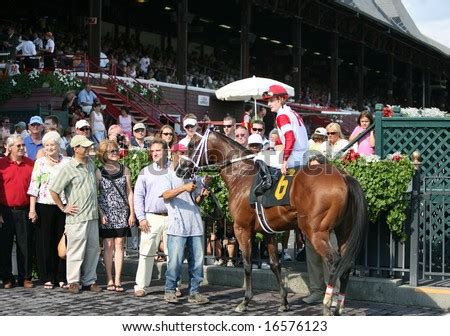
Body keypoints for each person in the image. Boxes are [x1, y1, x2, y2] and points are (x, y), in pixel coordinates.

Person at [49, 135, 102, 294]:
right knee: (75, 251)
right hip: (76, 217)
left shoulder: (91, 164)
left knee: (93, 250)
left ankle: (89, 281)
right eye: (84, 147)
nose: (87, 149)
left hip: (92, 215)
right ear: (75, 148)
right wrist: (63, 207)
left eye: (88, 147)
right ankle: (73, 281)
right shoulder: (68, 167)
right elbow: (54, 190)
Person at [162, 144, 210, 305]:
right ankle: (169, 291)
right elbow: (166, 195)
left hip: (194, 224)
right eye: (181, 153)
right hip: (177, 225)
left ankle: (194, 292)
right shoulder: (167, 175)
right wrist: (183, 187)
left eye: (186, 153)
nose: (184, 156)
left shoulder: (194, 176)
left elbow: (196, 201)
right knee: (174, 262)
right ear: (173, 154)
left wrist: (202, 194)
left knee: (197, 262)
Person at [27, 131, 69, 289]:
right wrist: (32, 209)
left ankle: (61, 276)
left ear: (59, 146)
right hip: (44, 205)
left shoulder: (67, 161)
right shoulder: (40, 162)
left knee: (62, 241)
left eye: (52, 145)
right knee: (46, 241)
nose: (50, 148)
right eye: (46, 145)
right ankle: (48, 276)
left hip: (63, 206)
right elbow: (33, 186)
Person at [96, 140, 135, 293]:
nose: (115, 153)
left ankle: (118, 279)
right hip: (106, 212)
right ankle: (109, 278)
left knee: (119, 245)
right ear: (104, 154)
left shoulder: (125, 169)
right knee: (108, 245)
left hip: (121, 211)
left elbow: (129, 192)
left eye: (116, 150)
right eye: (111, 151)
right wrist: (100, 213)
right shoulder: (99, 171)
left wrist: (132, 212)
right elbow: (96, 194)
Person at [133, 138, 170, 297]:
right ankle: (140, 285)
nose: (154, 153)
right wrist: (141, 218)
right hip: (151, 217)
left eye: (158, 150)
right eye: (152, 151)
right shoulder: (145, 171)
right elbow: (138, 196)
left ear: (166, 151)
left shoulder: (175, 169)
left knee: (173, 255)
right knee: (146, 253)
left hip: (171, 217)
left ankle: (172, 286)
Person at [257, 85, 308, 195]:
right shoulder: (293, 112)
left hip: (295, 158)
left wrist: (284, 161)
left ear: (281, 99)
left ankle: (267, 183)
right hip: (304, 155)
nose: (268, 104)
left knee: (259, 156)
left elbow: (290, 137)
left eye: (271, 100)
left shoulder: (282, 116)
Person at [0, 135, 35, 289]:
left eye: (23, 145)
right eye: (18, 146)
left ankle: (25, 277)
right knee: (5, 246)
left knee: (25, 245)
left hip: (25, 210)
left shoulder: (31, 164)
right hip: (5, 211)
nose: (22, 148)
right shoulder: (1, 164)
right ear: (10, 148)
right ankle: (7, 278)